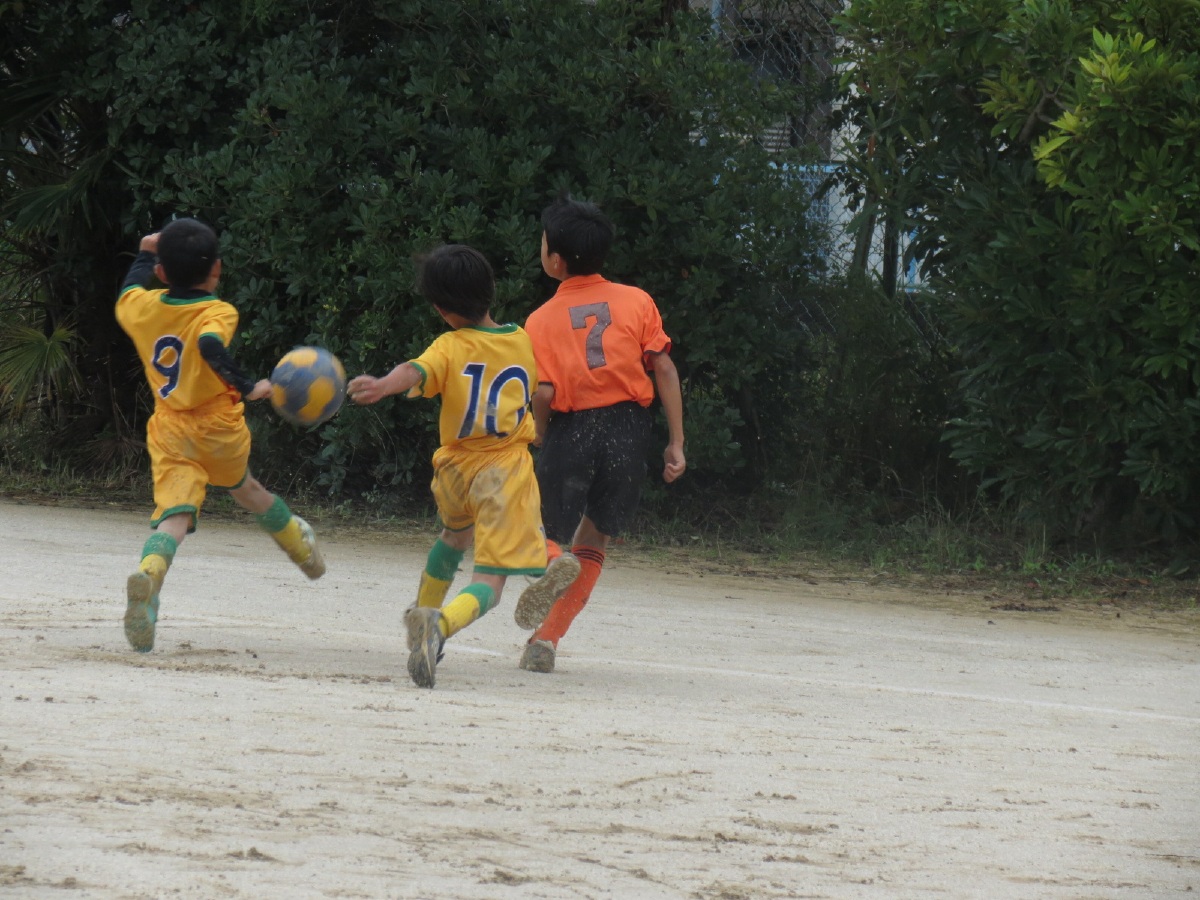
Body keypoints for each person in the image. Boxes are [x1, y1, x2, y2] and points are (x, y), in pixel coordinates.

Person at [346, 243, 580, 689]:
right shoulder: (521, 340)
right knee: (490, 584)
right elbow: (536, 391)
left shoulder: (449, 345)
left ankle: (422, 617)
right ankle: (445, 622)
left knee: (454, 536)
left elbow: (414, 371)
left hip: (453, 468)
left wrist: (381, 385)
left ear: (440, 308)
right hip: (502, 468)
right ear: (491, 290)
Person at [115, 218, 325, 653]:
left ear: (162, 273)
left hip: (170, 427)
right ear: (217, 269)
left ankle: (150, 574)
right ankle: (298, 546)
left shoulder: (140, 307)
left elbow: (129, 288)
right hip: (217, 427)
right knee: (244, 487)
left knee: (174, 515)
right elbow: (210, 345)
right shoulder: (218, 311)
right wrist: (248, 386)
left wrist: (145, 253)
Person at [515, 194, 686, 673]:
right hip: (628, 428)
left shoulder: (540, 320)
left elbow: (544, 392)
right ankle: (546, 640)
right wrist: (675, 442)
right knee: (595, 538)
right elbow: (664, 368)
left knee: (544, 531)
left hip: (573, 428)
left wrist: (540, 432)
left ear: (555, 260)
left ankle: (553, 562)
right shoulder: (637, 301)